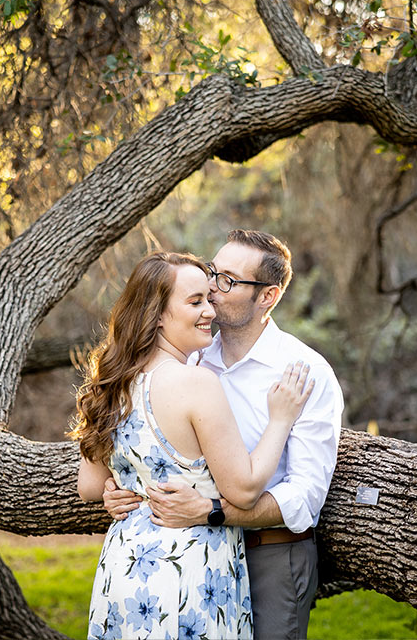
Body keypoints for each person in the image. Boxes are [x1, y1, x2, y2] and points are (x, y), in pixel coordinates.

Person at [103, 230, 344, 640]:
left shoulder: (304, 371)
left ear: (267, 296)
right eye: (213, 272)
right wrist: (121, 485)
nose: (211, 289)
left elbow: (305, 497)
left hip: (272, 553)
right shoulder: (192, 359)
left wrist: (211, 511)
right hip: (195, 555)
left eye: (228, 280)